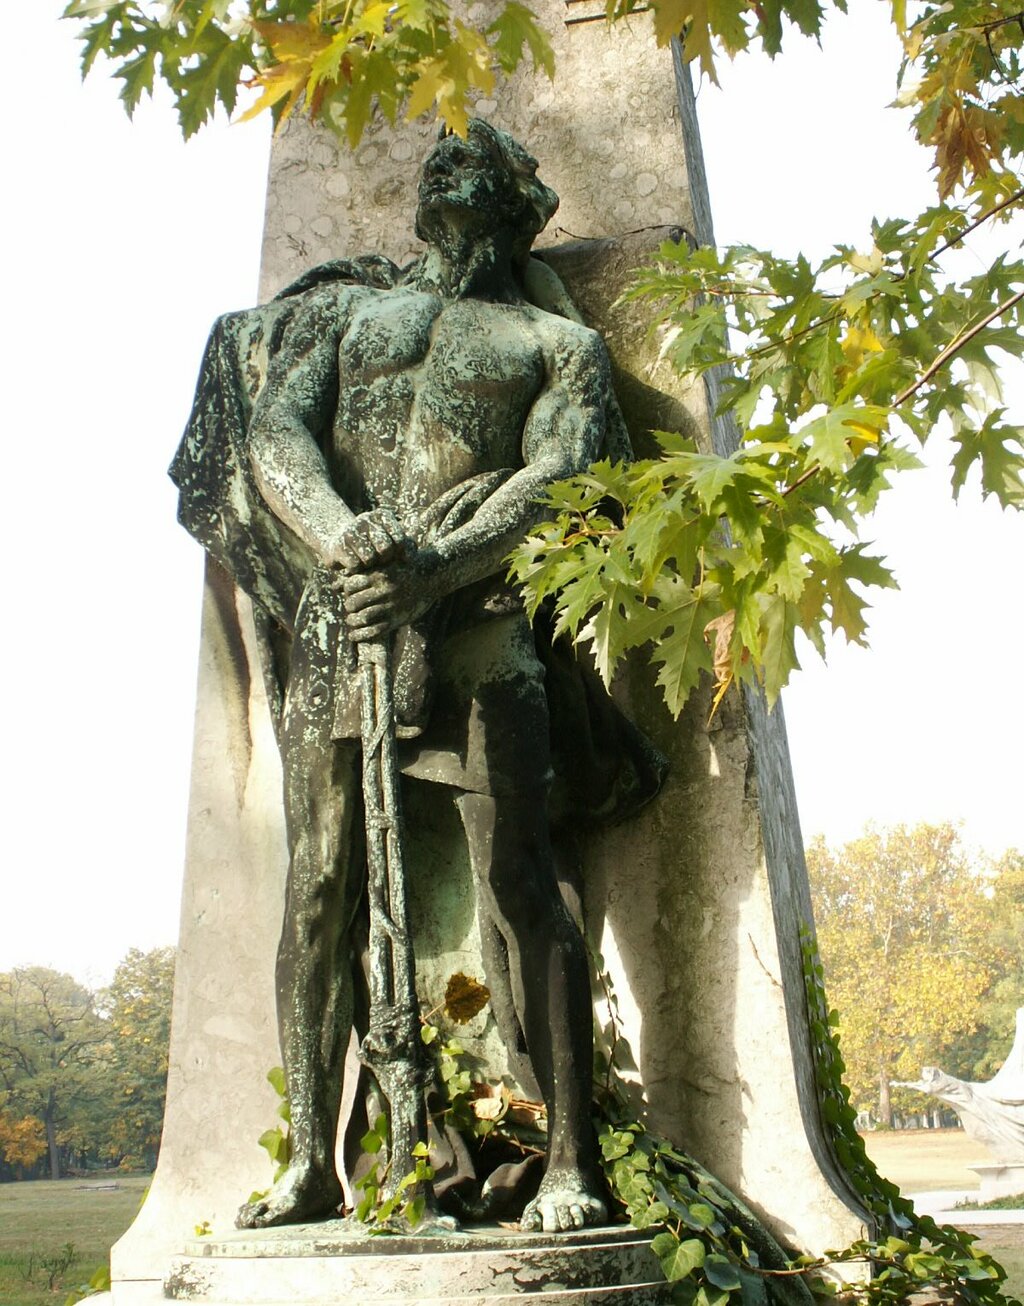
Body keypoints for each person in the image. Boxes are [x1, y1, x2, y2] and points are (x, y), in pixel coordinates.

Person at [172, 120, 665, 1236]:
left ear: (524, 208)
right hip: (345, 616)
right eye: (443, 165)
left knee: (524, 880)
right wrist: (344, 541)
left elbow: (560, 477)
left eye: (482, 168)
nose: (456, 171)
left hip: (482, 621)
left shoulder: (555, 344)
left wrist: (436, 565)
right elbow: (278, 436)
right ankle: (312, 1160)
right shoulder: (350, 318)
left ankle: (570, 1163)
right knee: (317, 884)